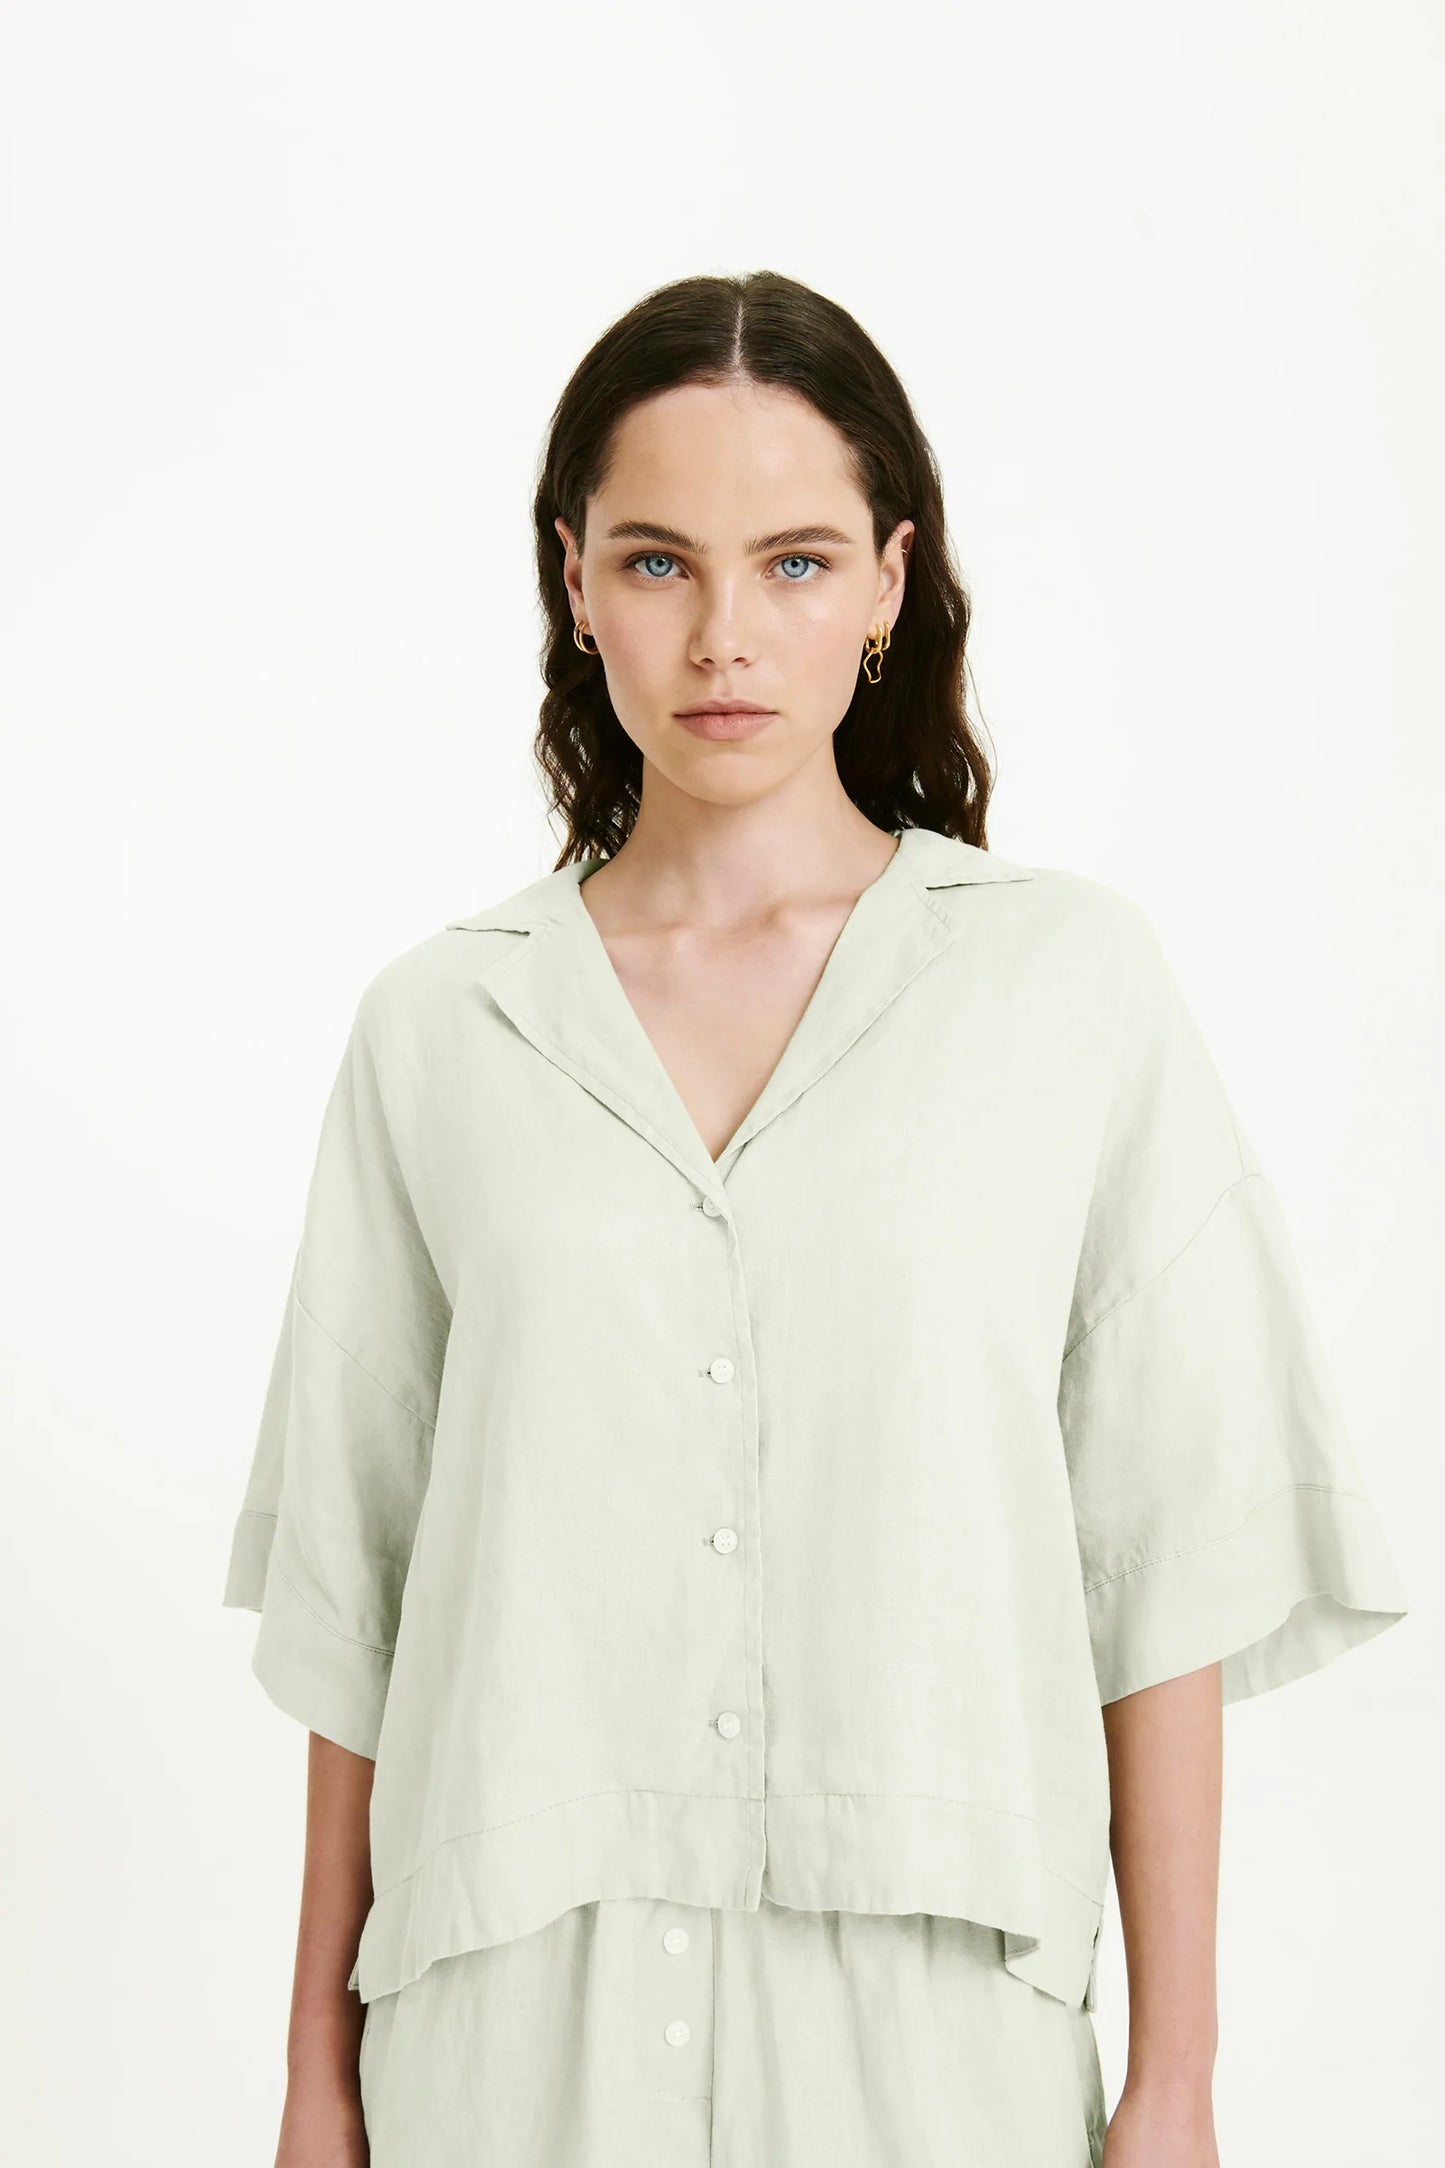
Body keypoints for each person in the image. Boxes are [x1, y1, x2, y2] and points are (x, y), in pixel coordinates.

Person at [221, 270, 1410, 2168]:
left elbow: (1159, 1563)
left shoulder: (1063, 989)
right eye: (656, 562)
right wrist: (312, 2079)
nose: (721, 636)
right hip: (513, 2045)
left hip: (933, 2050)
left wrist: (1174, 2079)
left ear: (886, 582)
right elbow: (359, 1600)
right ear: (573, 581)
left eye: (791, 562)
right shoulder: (442, 1029)